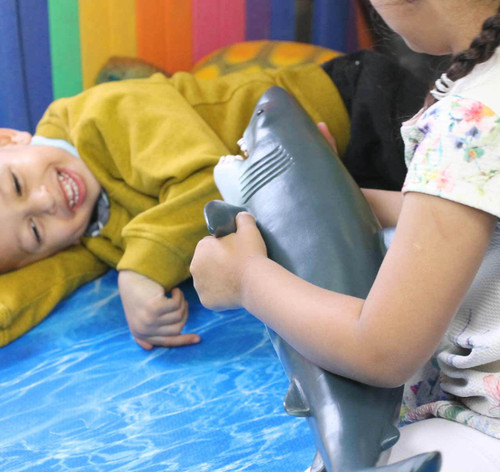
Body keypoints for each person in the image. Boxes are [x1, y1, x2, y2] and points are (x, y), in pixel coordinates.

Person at [190, 1, 500, 470]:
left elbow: (384, 350)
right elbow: (471, 217)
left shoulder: (472, 118)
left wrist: (246, 279)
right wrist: (337, 193)